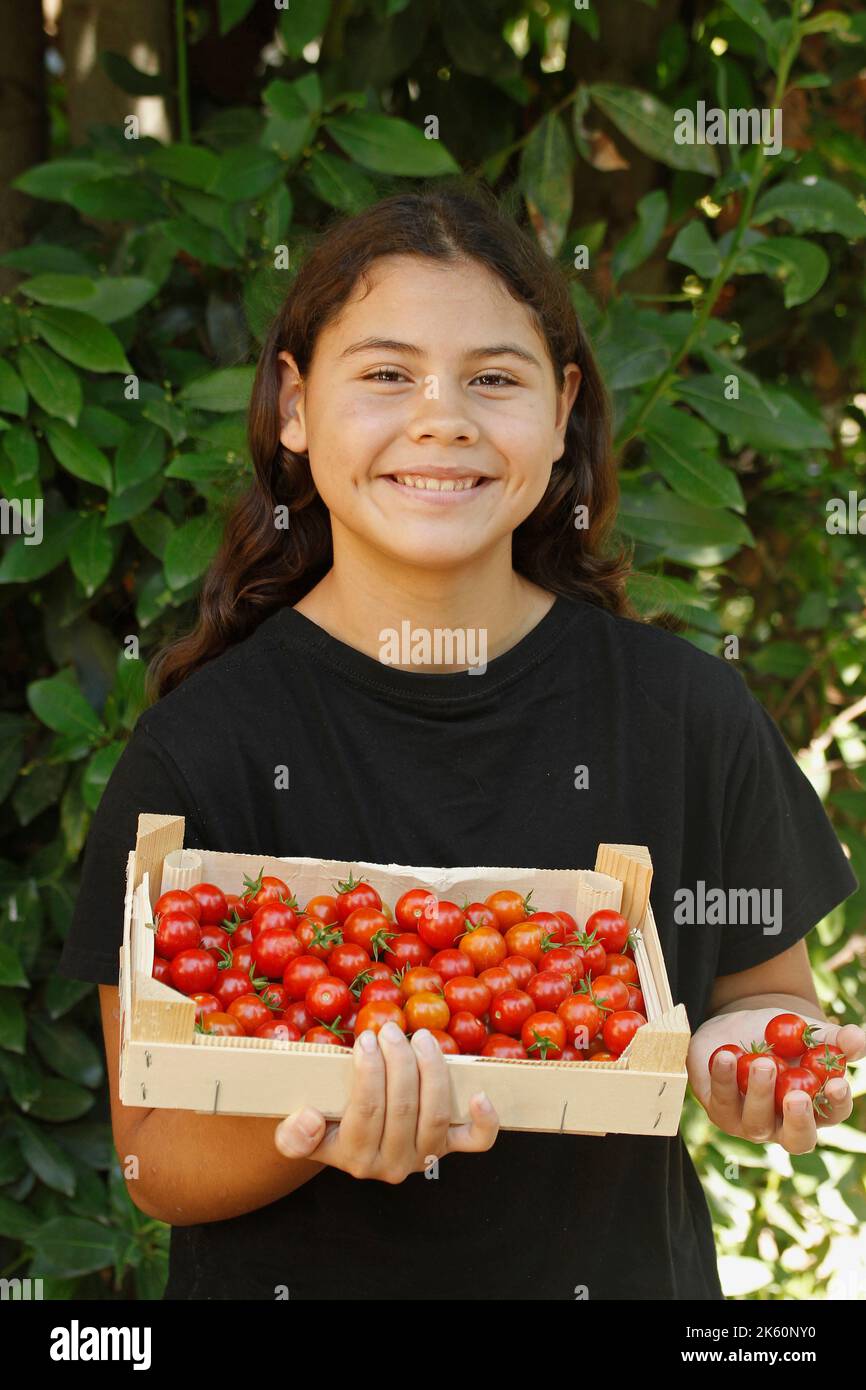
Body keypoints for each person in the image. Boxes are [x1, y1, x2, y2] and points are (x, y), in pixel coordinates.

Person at [58, 181, 863, 1301]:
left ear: (561, 407)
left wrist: (762, 1057)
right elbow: (154, 1156)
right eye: (386, 375)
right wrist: (322, 1117)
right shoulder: (199, 749)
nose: (442, 419)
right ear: (294, 405)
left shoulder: (687, 713)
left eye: (493, 378)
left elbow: (765, 998)